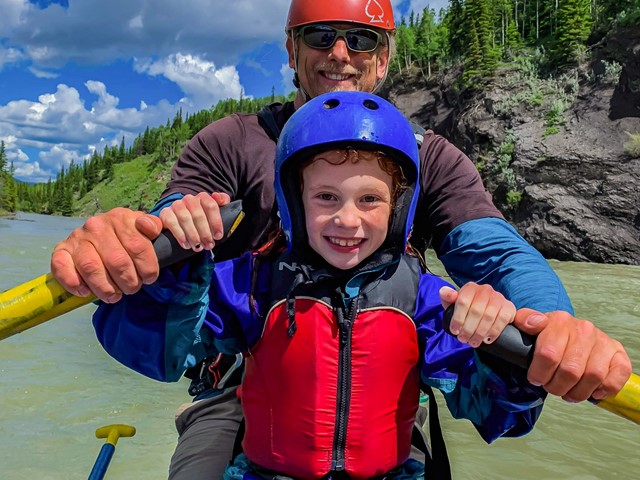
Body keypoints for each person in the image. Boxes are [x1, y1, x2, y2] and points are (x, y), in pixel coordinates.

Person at [49, 0, 631, 478]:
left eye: (362, 39)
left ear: (384, 58)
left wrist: (552, 327)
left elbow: (497, 253)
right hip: (237, 384)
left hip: (384, 401)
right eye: (321, 35)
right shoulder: (230, 141)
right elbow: (177, 222)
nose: (340, 53)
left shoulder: (425, 158)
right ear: (291, 49)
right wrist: (132, 242)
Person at [95, 91, 594, 479]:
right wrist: (175, 273)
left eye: (370, 200)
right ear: (295, 201)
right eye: (326, 196)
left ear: (399, 208)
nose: (347, 220)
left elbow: (496, 414)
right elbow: (155, 351)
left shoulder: (426, 298)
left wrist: (496, 345)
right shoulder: (253, 283)